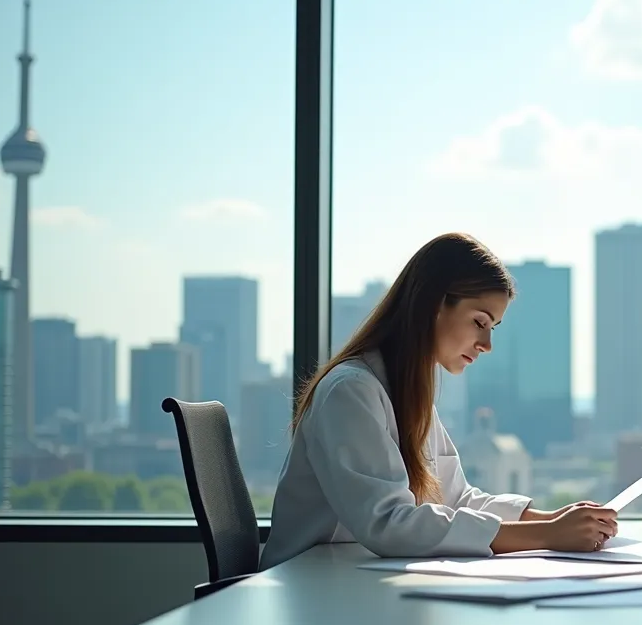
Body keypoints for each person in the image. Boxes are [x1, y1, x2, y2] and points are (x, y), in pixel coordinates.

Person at [259, 232, 618, 570]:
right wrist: (548, 535)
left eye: (492, 328)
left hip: (351, 581)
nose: (486, 344)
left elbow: (455, 499)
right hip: (306, 590)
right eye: (479, 321)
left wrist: (553, 520)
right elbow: (388, 523)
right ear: (433, 304)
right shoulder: (351, 391)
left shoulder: (407, 390)